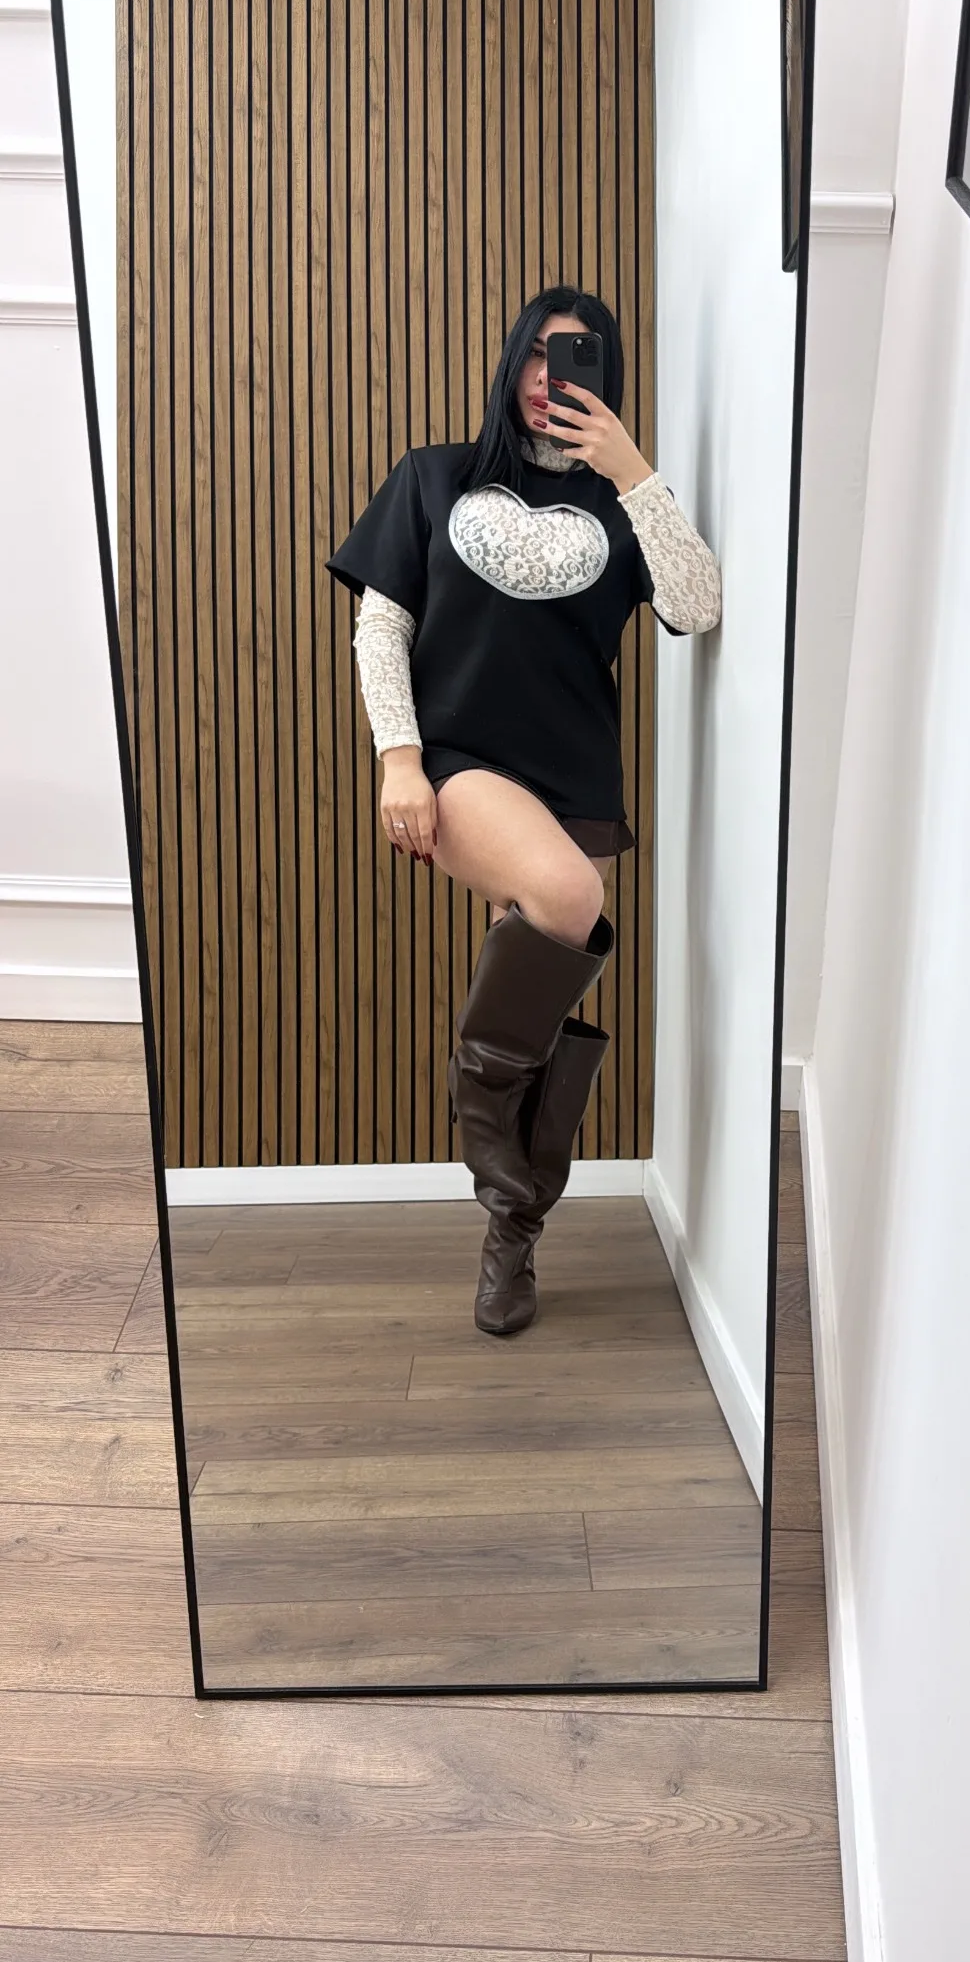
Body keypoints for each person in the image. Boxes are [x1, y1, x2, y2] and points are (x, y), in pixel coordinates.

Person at [325, 286, 721, 1337]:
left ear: (605, 378)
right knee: (568, 897)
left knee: (539, 1006)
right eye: (539, 354)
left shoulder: (620, 507)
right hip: (458, 761)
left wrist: (632, 472)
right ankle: (488, 1143)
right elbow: (380, 628)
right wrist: (400, 761)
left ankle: (513, 1232)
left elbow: (696, 606)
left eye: (577, 357)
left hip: (573, 780)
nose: (552, 375)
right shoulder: (435, 476)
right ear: (512, 363)